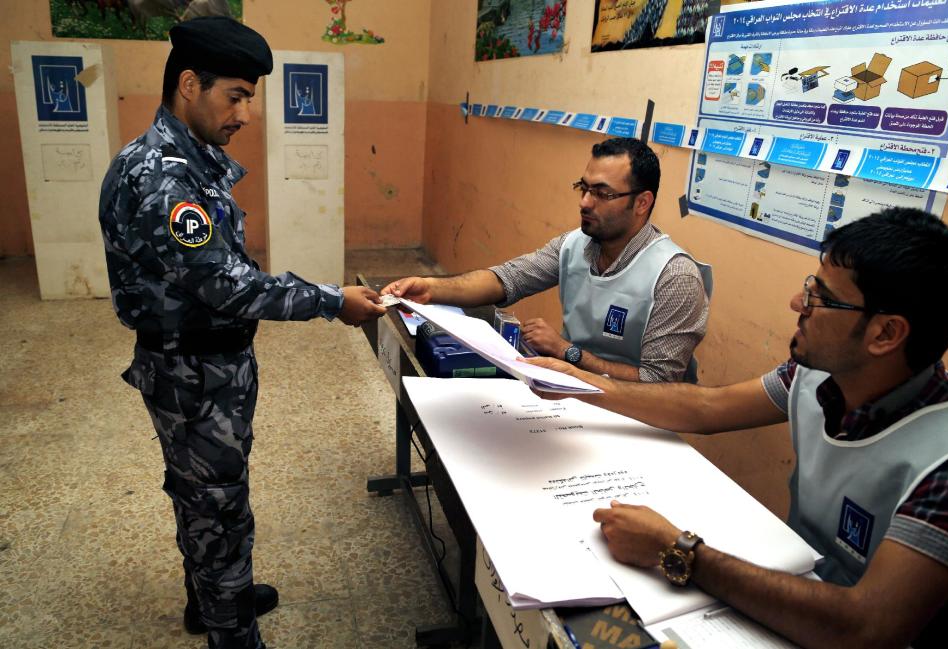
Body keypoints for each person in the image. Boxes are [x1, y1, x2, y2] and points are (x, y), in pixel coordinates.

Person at [526, 207, 948, 648]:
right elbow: (706, 407)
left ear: (886, 334)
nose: (797, 304)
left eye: (820, 297)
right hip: (790, 596)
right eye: (810, 285)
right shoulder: (813, 376)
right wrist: (580, 384)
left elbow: (866, 627)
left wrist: (678, 551)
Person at [97, 17, 385, 649]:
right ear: (189, 85)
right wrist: (333, 301)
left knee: (206, 497)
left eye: (250, 97)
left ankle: (211, 598)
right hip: (191, 374)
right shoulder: (162, 178)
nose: (247, 114)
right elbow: (228, 284)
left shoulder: (193, 162)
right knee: (217, 505)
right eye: (236, 95)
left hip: (211, 366)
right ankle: (232, 631)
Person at [382, 138, 711, 383]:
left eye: (602, 193)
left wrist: (570, 353)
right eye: (583, 188)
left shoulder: (674, 278)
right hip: (570, 384)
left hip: (633, 413)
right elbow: (508, 279)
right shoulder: (575, 245)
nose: (584, 202)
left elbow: (659, 385)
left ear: (642, 203)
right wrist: (431, 288)